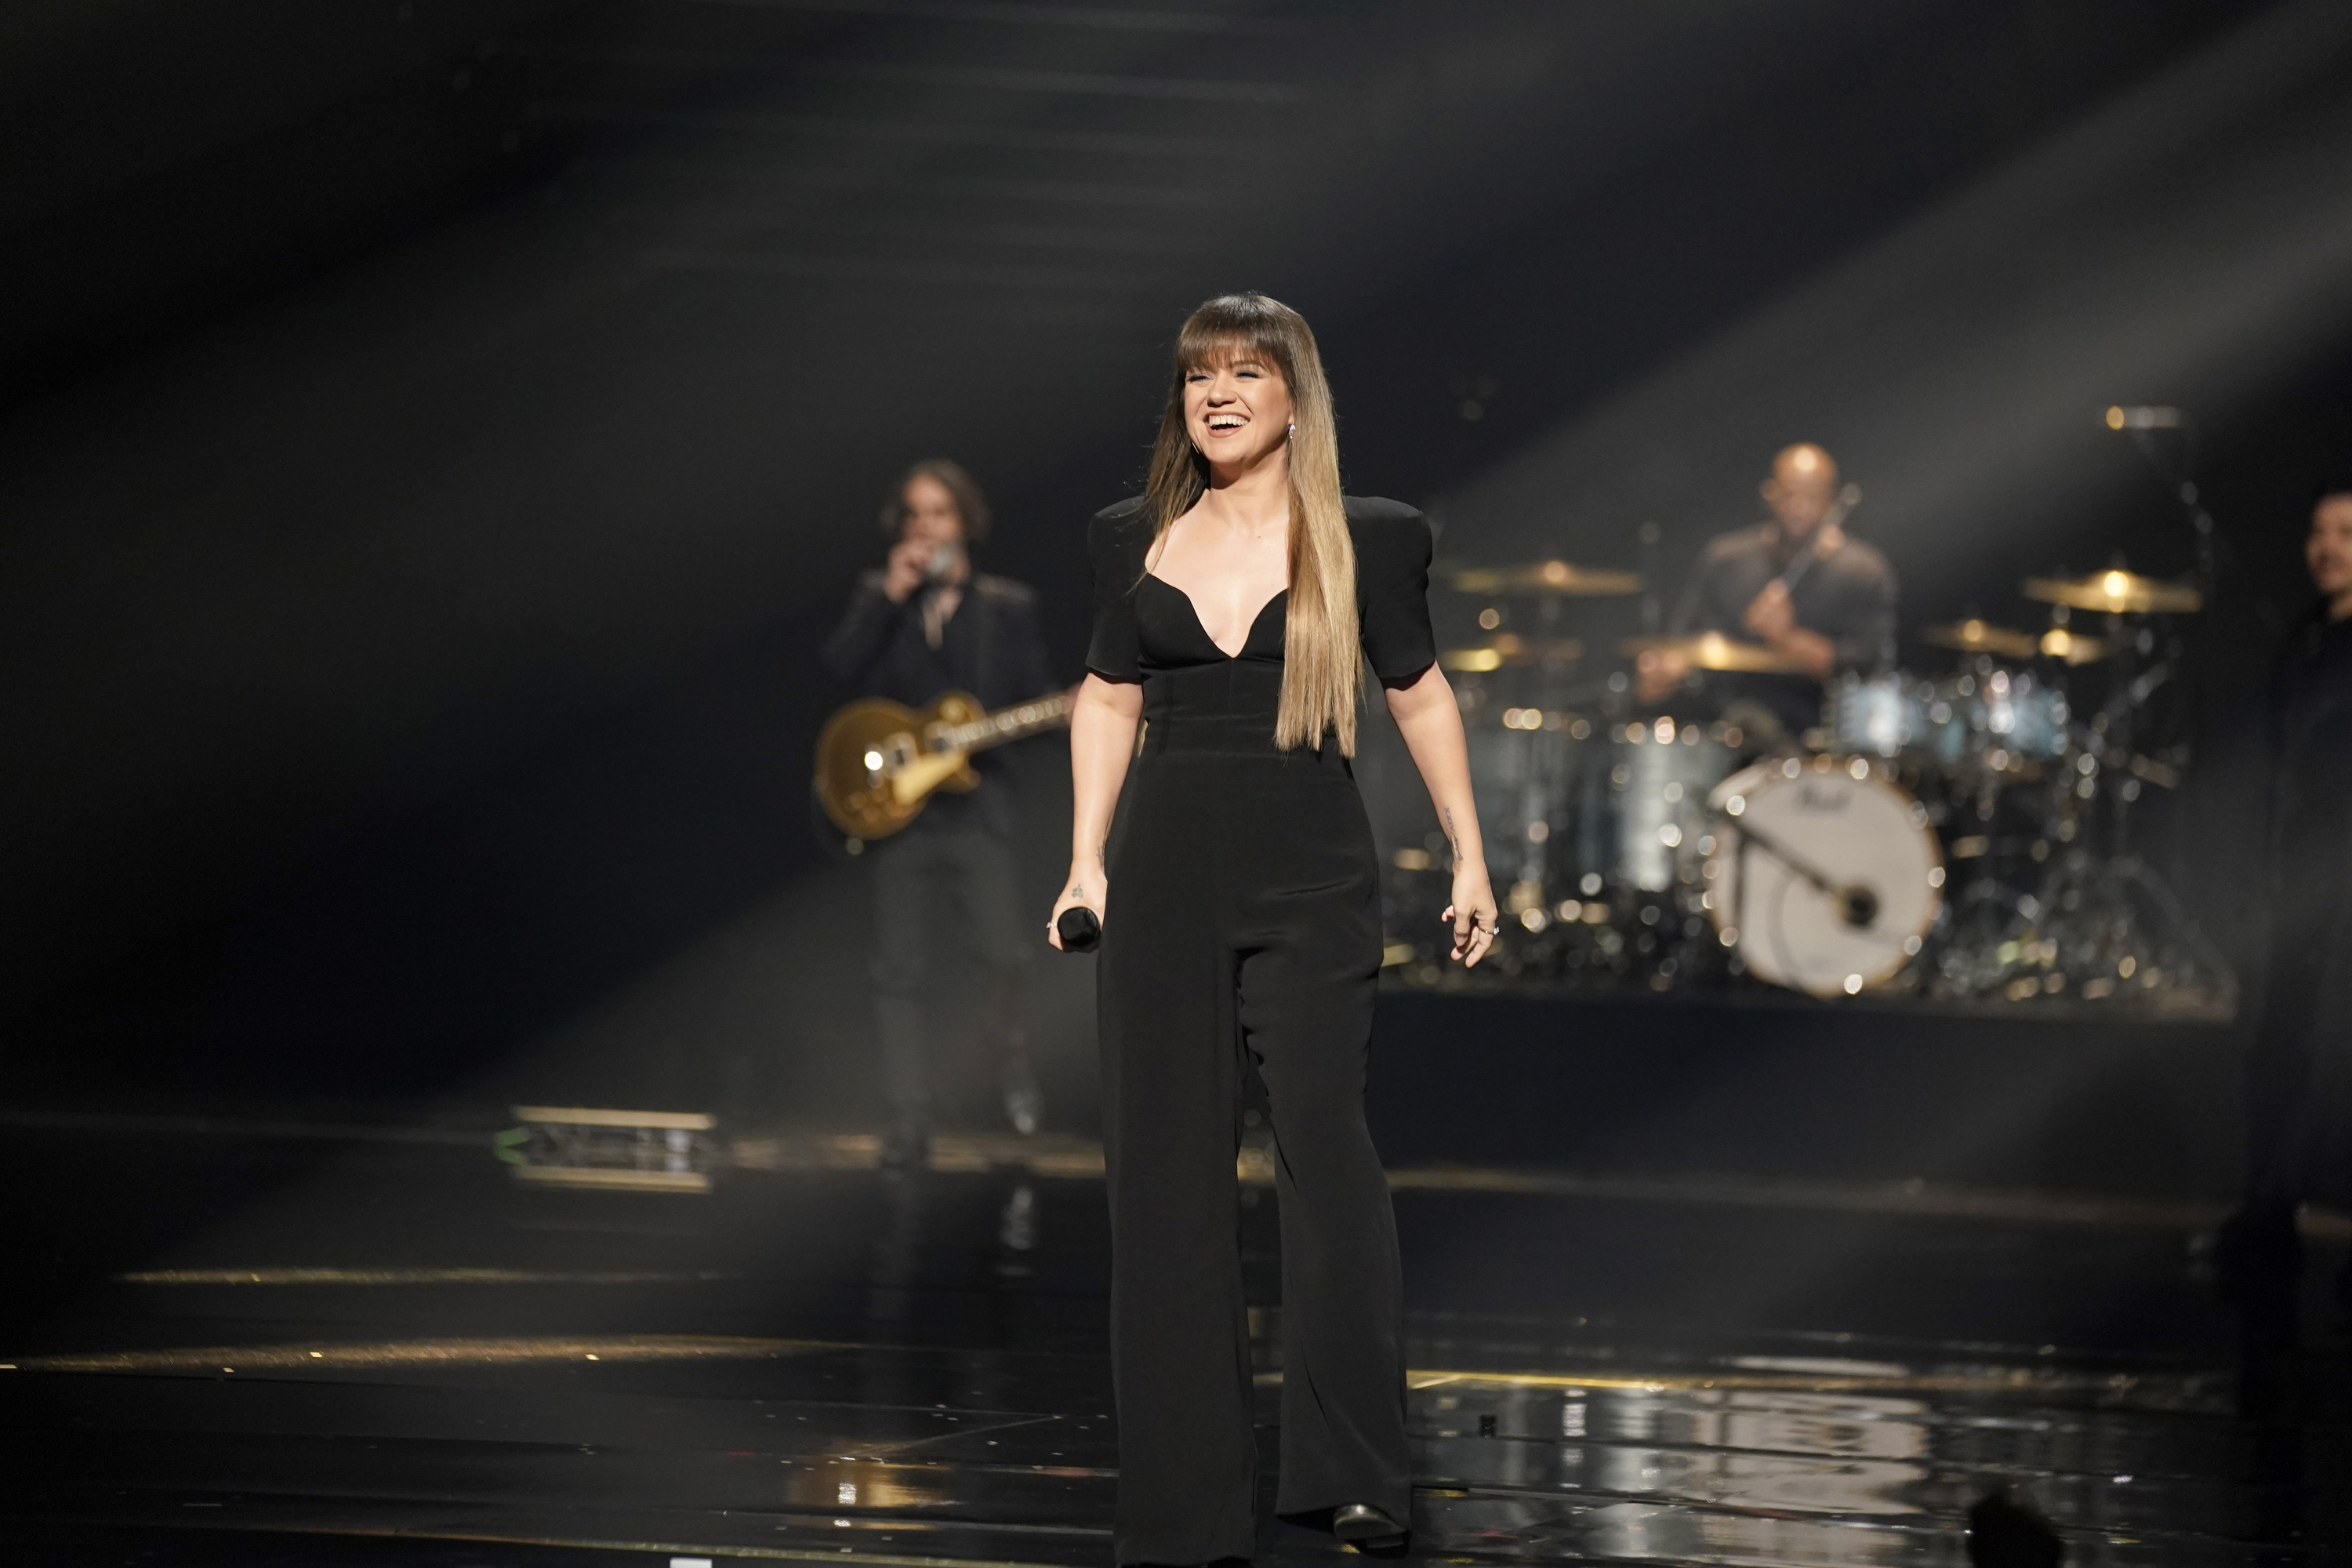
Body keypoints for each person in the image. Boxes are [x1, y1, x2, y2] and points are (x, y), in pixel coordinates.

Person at [1049, 293, 1498, 1565]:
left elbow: (1418, 696)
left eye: (1247, 372)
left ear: (1296, 394)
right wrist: (1084, 863)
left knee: (1327, 1157)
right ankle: (1182, 1511)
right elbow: (1104, 694)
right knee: (1165, 1186)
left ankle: (1354, 1474)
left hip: (1311, 877)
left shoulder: (1368, 539)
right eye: (1201, 376)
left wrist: (1471, 855)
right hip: (1165, 880)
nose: (1220, 393)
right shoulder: (1128, 536)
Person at [822, 460, 1054, 1167]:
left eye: (940, 515)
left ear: (966, 525)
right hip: (900, 817)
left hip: (979, 810)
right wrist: (888, 597)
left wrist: (1073, 708)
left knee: (1004, 957)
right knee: (899, 969)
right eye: (915, 517)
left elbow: (1035, 695)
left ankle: (1004, 1061)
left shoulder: (1007, 605)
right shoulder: (880, 596)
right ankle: (909, 1118)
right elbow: (837, 672)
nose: (927, 530)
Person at [2217, 480, 2352, 1316]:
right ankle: (2269, 1207)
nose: (2327, 543)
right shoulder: (2304, 639)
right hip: (2300, 868)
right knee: (2281, 1036)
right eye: (2319, 530)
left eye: (2346, 530)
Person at [1639, 441, 1897, 737]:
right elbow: (1685, 641)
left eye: (1812, 497)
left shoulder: (1864, 572)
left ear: (1832, 501)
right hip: (1727, 730)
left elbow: (1869, 674)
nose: (1799, 508)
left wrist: (1787, 638)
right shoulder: (1726, 559)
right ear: (1769, 493)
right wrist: (1664, 671)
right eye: (1789, 495)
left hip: (1818, 740)